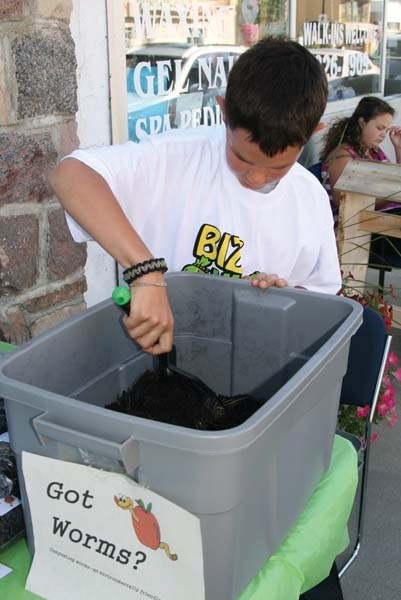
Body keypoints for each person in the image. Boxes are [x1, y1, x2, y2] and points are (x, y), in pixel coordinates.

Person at [49, 36, 341, 355]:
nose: (255, 178)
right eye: (242, 158)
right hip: (158, 357)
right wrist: (145, 271)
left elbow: (318, 299)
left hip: (249, 361)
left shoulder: (309, 199)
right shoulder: (176, 158)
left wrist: (283, 300)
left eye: (278, 168)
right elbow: (71, 175)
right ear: (223, 112)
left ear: (313, 133)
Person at [320, 96, 401, 215]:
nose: (383, 135)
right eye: (380, 128)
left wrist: (398, 148)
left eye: (386, 130)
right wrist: (393, 194)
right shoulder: (342, 156)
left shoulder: (375, 151)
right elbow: (343, 202)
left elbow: (396, 179)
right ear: (362, 123)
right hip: (360, 227)